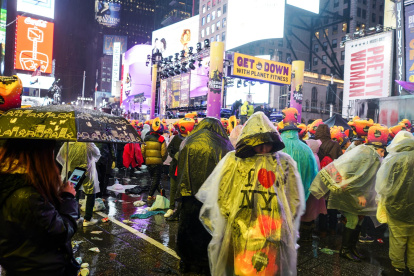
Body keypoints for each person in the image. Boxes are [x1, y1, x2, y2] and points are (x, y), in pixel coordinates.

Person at [196, 112, 305, 275]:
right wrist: (234, 221)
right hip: (241, 228)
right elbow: (224, 193)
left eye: (267, 143)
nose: (263, 148)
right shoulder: (233, 160)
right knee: (243, 267)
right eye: (258, 144)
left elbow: (293, 196)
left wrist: (282, 222)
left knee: (269, 267)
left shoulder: (283, 162)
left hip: (273, 229)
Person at [310, 124, 388, 262]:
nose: (383, 155)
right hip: (348, 192)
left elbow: (363, 178)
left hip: (353, 192)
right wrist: (357, 193)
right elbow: (343, 173)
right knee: (352, 220)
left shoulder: (371, 154)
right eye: (382, 151)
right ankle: (345, 250)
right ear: (377, 148)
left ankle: (351, 248)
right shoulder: (366, 154)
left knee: (358, 220)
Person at [0, 139, 79, 275]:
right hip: (40, 268)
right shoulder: (27, 195)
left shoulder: (10, 183)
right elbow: (62, 231)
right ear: (39, 155)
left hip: (18, 265)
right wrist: (68, 198)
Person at [175, 117, 233, 274]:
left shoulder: (189, 141)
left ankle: (186, 261)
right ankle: (205, 263)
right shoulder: (225, 144)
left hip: (189, 196)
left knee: (188, 228)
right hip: (212, 198)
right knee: (208, 230)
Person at [376, 131, 414, 275]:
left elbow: (382, 185)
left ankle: (398, 266)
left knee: (398, 238)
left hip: (396, 206)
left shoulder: (392, 159)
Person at [278, 108, 319, 241]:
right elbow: (313, 174)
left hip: (277, 195)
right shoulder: (306, 149)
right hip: (298, 195)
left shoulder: (275, 147)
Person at [57, 142, 101, 227]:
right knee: (91, 193)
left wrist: (68, 164)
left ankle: (76, 217)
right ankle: (87, 219)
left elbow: (60, 156)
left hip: (75, 171)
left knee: (74, 191)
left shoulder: (68, 143)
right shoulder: (89, 143)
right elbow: (97, 154)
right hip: (88, 171)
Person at [164, 118, 196, 221]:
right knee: (173, 188)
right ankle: (171, 207)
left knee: (185, 189)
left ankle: (181, 210)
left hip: (187, 168)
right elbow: (169, 149)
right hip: (175, 167)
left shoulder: (194, 138)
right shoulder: (176, 138)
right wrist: (175, 155)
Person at [141, 118, 167, 201]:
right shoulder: (161, 139)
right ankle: (150, 195)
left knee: (155, 179)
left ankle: (162, 192)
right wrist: (162, 160)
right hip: (158, 162)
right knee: (156, 179)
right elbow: (164, 153)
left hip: (149, 162)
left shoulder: (146, 138)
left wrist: (146, 159)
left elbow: (142, 151)